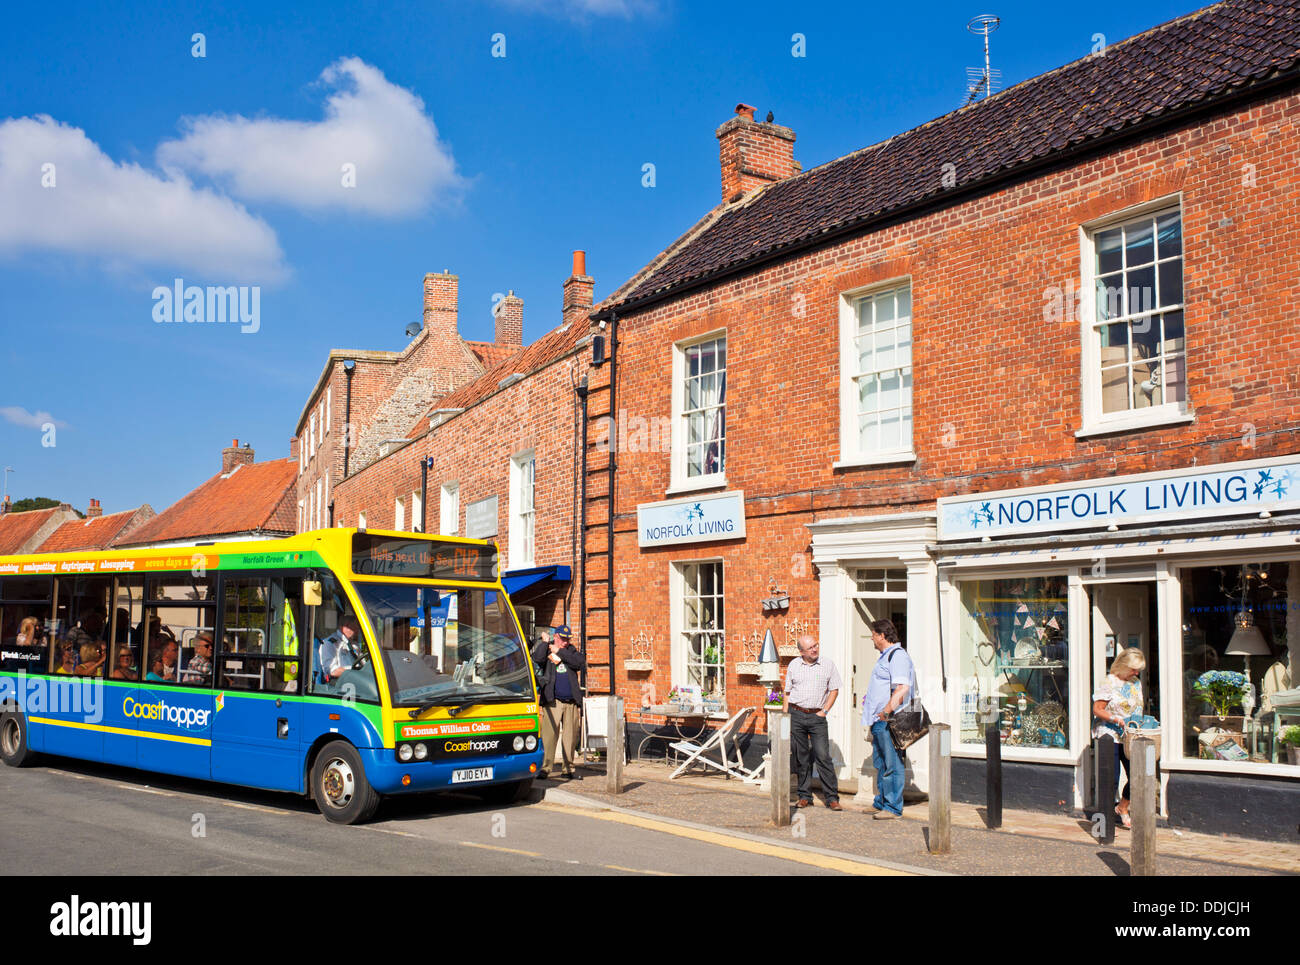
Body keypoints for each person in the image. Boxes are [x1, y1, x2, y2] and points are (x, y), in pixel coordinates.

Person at [861, 619, 916, 819]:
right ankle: (882, 802)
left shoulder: (898, 656)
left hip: (889, 720)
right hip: (879, 720)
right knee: (881, 762)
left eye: (873, 635)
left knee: (892, 763)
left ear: (882, 636)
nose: (872, 639)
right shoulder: (886, 657)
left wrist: (886, 711)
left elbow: (902, 687)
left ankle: (892, 807)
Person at [784, 632, 842, 811]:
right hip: (797, 714)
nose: (815, 649)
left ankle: (831, 798)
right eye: (810, 647)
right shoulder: (794, 665)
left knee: (822, 755)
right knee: (801, 757)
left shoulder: (827, 665)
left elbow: (834, 689)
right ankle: (804, 796)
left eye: (816, 645)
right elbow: (787, 693)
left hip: (817, 716)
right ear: (801, 651)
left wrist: (824, 711)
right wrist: (786, 717)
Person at [1093, 647, 1146, 829]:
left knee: (1137, 776)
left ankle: (1122, 807)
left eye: (1138, 669)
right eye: (1133, 669)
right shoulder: (1109, 682)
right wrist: (1116, 718)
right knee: (1112, 778)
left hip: (1129, 736)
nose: (1136, 672)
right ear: (1123, 666)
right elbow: (1097, 709)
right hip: (1110, 735)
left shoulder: (1135, 682)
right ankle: (1105, 824)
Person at [530, 625, 586, 779]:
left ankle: (568, 769)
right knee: (549, 736)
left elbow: (579, 663)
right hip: (552, 701)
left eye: (567, 639)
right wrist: (544, 643)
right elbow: (537, 659)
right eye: (562, 639)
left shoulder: (571, 651)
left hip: (571, 702)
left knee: (570, 737)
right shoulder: (547, 649)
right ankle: (546, 768)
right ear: (555, 637)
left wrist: (560, 651)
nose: (565, 642)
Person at [319, 617, 363, 682]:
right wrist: (355, 672)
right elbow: (333, 671)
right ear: (347, 627)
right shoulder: (329, 644)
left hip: (356, 681)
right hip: (338, 684)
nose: (358, 631)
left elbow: (362, 663)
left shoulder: (354, 644)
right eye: (356, 628)